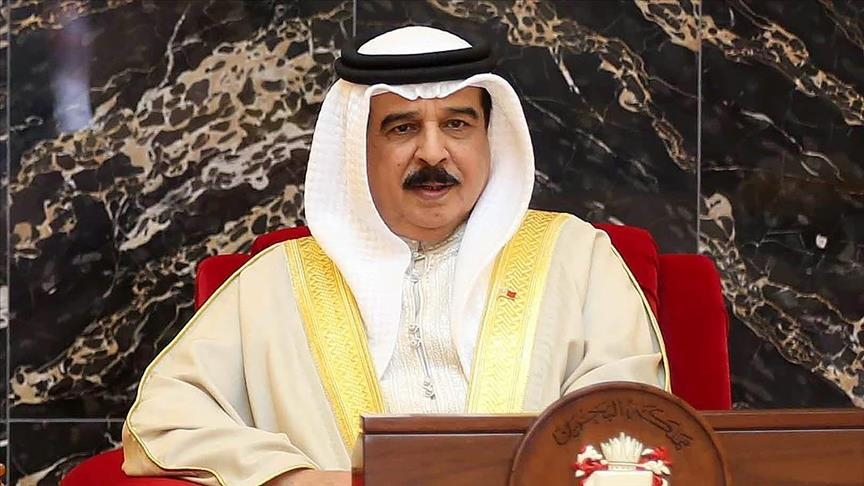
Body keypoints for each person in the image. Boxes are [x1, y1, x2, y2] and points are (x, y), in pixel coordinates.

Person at [121, 26, 668, 486]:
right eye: (403, 128)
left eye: (457, 124)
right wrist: (299, 478)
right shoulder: (275, 282)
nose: (432, 152)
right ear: (358, 149)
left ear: (489, 137)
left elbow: (631, 423)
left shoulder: (576, 257)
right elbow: (163, 421)